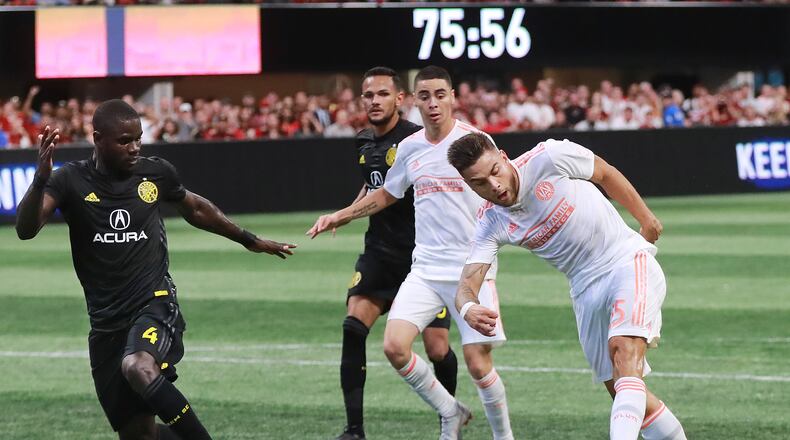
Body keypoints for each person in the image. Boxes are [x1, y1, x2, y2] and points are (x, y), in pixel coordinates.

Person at [15, 99, 296, 440]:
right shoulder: (69, 180)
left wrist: (247, 239)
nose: (134, 148)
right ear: (97, 139)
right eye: (124, 141)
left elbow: (196, 208)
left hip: (154, 302)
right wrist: (40, 181)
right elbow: (26, 229)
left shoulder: (155, 173)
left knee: (139, 367)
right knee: (139, 435)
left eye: (138, 139)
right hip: (105, 323)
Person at [308, 66, 514, 440]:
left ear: (453, 98)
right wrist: (341, 215)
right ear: (415, 101)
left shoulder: (475, 141)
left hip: (471, 269)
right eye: (426, 96)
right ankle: (450, 411)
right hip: (425, 269)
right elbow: (387, 193)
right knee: (394, 346)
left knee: (478, 363)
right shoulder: (410, 148)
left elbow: (505, 187)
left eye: (440, 95)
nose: (433, 103)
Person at [447, 133, 687, 440]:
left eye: (495, 171)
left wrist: (646, 218)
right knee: (622, 390)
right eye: (479, 183)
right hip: (584, 289)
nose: (493, 185)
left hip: (624, 260)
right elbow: (466, 284)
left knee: (624, 352)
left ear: (504, 157)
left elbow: (605, 173)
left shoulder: (548, 157)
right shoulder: (490, 221)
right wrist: (468, 307)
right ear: (469, 186)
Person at [332, 66, 459, 440]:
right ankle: (354, 431)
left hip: (421, 259)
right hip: (379, 253)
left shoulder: (417, 140)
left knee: (437, 349)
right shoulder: (363, 141)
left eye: (383, 94)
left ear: (400, 99)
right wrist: (347, 213)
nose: (375, 101)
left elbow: (396, 190)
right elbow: (375, 187)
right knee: (353, 327)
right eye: (369, 95)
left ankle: (448, 419)